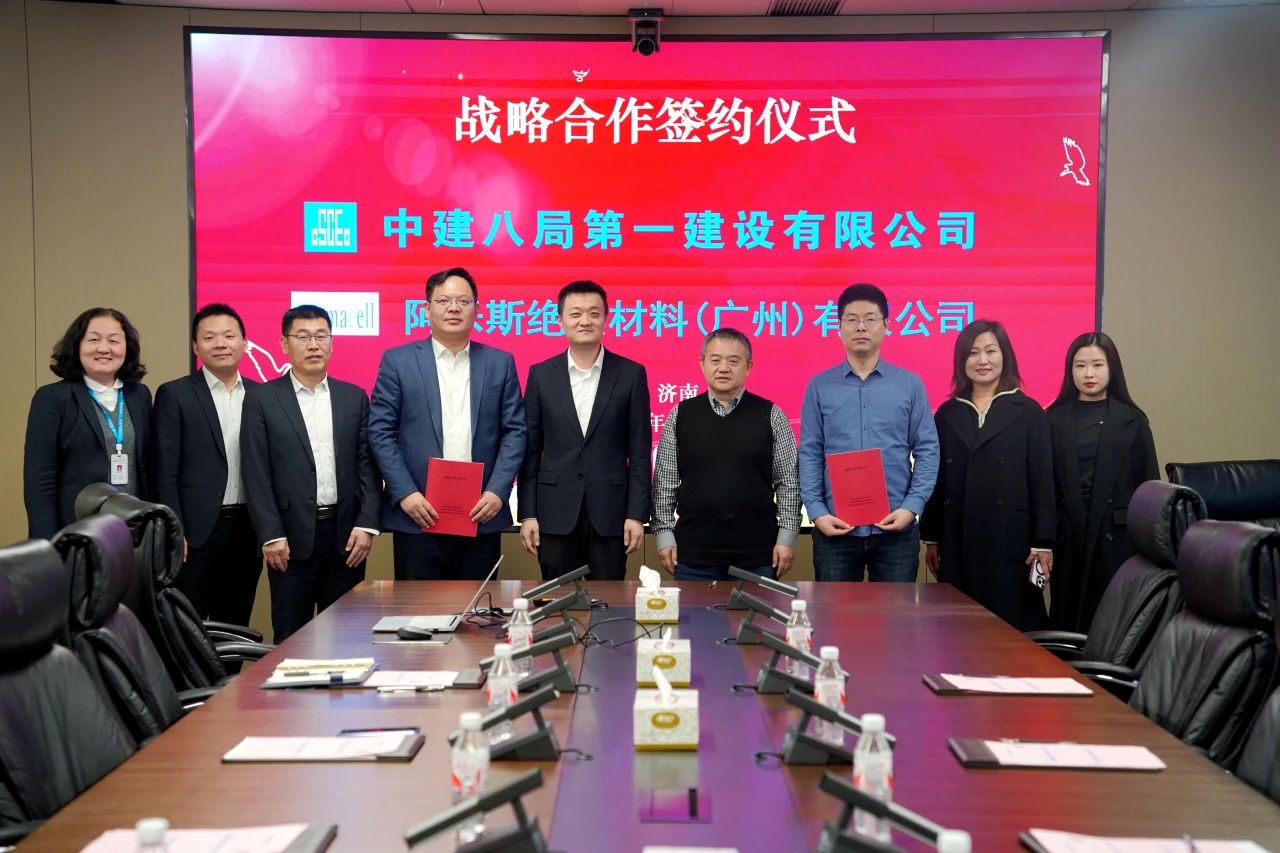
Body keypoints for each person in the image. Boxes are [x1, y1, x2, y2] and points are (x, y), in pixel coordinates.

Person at [368, 268, 526, 580]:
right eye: (444, 301)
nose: (454, 308)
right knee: (418, 609)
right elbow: (380, 432)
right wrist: (406, 493)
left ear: (476, 309)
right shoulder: (398, 361)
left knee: (478, 608)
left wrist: (498, 491)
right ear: (426, 309)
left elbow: (516, 431)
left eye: (463, 301)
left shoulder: (500, 362)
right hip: (418, 514)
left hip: (481, 513)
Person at [240, 305, 381, 642]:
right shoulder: (262, 399)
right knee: (292, 638)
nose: (314, 345)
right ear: (284, 344)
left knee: (347, 638)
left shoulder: (354, 397)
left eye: (321, 336)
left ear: (332, 342)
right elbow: (256, 470)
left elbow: (368, 465)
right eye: (303, 337)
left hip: (347, 538)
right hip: (289, 541)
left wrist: (367, 524)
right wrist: (271, 534)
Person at [799, 283, 939, 582]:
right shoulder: (819, 386)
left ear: (886, 325)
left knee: (895, 612)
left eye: (870, 318)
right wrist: (817, 512)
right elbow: (809, 453)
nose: (861, 327)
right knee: (834, 612)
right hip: (835, 528)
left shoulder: (909, 384)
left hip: (896, 529)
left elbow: (927, 450)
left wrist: (911, 507)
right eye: (851, 319)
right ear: (839, 326)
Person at [921, 320, 1055, 631]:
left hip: (1012, 540)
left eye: (991, 351)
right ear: (961, 361)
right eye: (973, 353)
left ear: (1005, 356)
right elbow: (937, 478)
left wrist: (1043, 542)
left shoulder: (1029, 411)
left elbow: (1043, 479)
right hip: (957, 537)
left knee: (1010, 631)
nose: (982, 360)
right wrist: (931, 536)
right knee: (958, 629)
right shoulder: (948, 412)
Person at [518, 281, 650, 581]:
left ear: (606, 318)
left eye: (594, 313)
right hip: (554, 511)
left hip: (611, 514)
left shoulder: (631, 374)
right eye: (575, 314)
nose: (585, 321)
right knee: (556, 598)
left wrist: (636, 515)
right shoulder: (541, 375)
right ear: (560, 320)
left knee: (609, 599)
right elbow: (530, 452)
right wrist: (527, 514)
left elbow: (640, 453)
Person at [652, 328, 800, 581]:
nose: (723, 368)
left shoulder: (772, 415)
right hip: (692, 555)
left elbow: (789, 483)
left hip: (758, 555)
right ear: (702, 363)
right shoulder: (680, 414)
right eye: (715, 360)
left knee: (755, 611)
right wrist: (664, 535)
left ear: (749, 366)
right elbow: (665, 482)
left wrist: (787, 538)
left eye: (733, 361)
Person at [152, 303, 261, 626]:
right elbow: (165, 470)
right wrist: (175, 530)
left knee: (236, 624)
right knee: (190, 626)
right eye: (209, 337)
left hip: (248, 530)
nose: (220, 344)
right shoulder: (175, 394)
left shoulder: (261, 395)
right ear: (195, 347)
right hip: (195, 533)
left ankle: (232, 665)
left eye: (229, 336)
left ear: (244, 343)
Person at [1046, 332, 1158, 632]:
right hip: (1068, 535)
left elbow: (1149, 487)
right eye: (1080, 365)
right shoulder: (1052, 419)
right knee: (1067, 620)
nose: (1089, 374)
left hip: (1117, 538)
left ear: (1112, 369)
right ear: (1070, 370)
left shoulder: (1133, 420)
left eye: (1097, 365)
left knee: (1111, 624)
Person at [24, 308, 151, 540]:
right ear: (77, 346)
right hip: (77, 532)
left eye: (114, 340)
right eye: (93, 340)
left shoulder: (139, 395)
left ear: (127, 347)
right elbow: (39, 482)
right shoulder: (52, 398)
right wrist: (49, 543)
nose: (104, 348)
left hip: (135, 530)